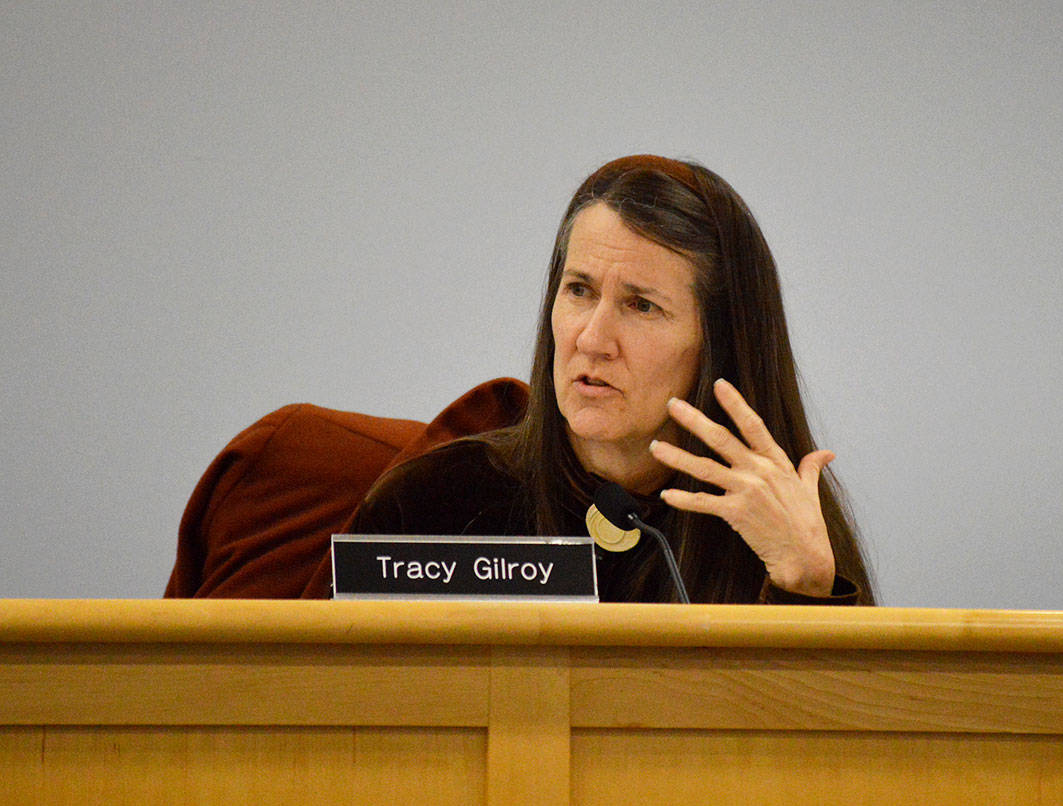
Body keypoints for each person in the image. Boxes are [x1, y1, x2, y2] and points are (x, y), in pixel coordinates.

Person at [350, 154, 875, 604]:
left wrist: (803, 588)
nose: (592, 339)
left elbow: (830, 721)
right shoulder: (430, 505)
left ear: (719, 343)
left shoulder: (781, 525)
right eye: (579, 291)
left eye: (641, 305)